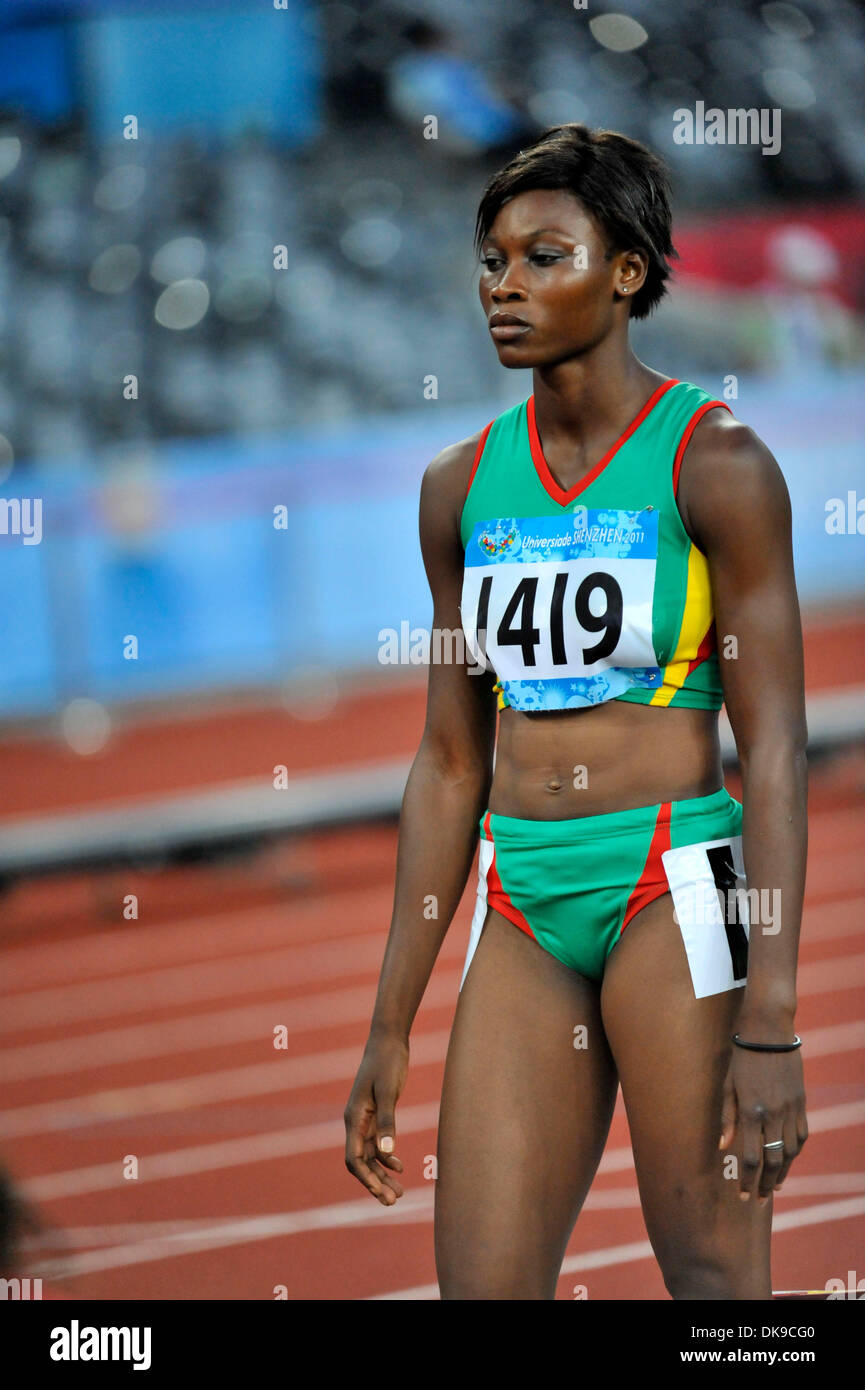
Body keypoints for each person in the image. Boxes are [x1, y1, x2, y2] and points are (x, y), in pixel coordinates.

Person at [344, 124, 808, 1301]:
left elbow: (773, 751)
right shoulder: (457, 487)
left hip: (673, 878)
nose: (503, 286)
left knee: (714, 1281)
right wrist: (389, 1021)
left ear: (627, 273)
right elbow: (451, 762)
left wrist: (771, 1021)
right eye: (491, 260)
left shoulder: (719, 465)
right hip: (524, 898)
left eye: (543, 256)